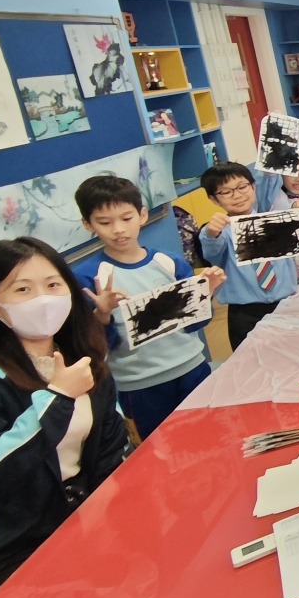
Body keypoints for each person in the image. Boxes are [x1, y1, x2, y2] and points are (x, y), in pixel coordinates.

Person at [0, 237, 133, 598]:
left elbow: (112, 450)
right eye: (23, 289)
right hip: (5, 550)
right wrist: (57, 398)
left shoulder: (83, 360)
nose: (43, 299)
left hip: (80, 526)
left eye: (53, 284)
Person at [71, 175, 225, 439]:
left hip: (192, 368)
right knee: (161, 448)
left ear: (142, 215)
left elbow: (195, 325)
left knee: (210, 436)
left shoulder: (169, 263)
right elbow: (98, 346)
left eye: (126, 218)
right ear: (88, 224)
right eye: (105, 222)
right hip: (140, 385)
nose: (118, 229)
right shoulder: (88, 277)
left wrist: (205, 294)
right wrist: (103, 314)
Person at [199, 162, 298, 349]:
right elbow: (212, 251)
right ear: (213, 199)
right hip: (246, 313)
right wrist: (211, 233)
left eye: (242, 187)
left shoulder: (274, 221)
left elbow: (272, 182)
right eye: (225, 192)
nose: (237, 195)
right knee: (251, 361)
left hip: (288, 304)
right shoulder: (220, 232)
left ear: (253, 186)